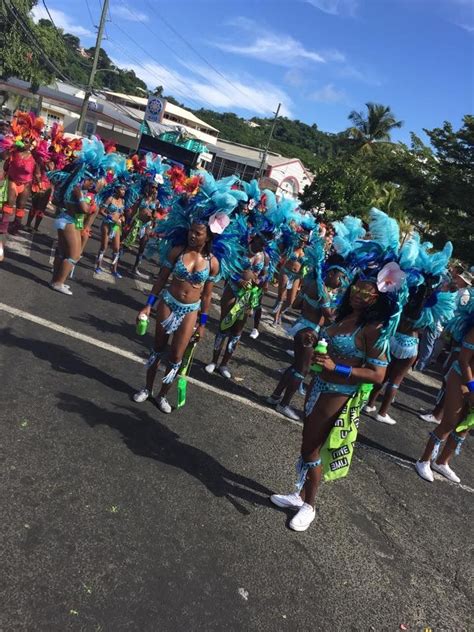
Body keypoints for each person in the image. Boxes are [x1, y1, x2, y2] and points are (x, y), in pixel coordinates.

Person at [133, 171, 244, 413]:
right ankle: (147, 388)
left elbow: (206, 296)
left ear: (208, 235)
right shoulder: (177, 251)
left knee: (176, 356)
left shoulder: (212, 262)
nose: (193, 235)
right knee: (157, 348)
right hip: (168, 302)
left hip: (191, 311)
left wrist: (203, 323)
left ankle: (162, 395)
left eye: (198, 233)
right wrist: (148, 304)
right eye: (191, 231)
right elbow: (161, 278)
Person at [267, 249, 349, 421]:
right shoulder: (323, 291)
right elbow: (329, 318)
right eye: (340, 277)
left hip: (301, 326)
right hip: (309, 333)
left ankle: (275, 396)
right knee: (302, 370)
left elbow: (296, 304)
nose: (341, 282)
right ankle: (284, 405)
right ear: (331, 272)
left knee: (295, 366)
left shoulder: (313, 284)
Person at [415, 324, 474, 484]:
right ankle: (424, 460)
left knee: (464, 427)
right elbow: (463, 360)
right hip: (462, 378)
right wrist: (472, 387)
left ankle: (442, 462)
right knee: (449, 422)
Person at [95, 183, 126, 278]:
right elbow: (101, 211)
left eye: (124, 190)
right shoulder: (110, 199)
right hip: (107, 224)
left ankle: (114, 269)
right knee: (104, 245)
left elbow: (122, 213)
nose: (123, 192)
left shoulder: (123, 201)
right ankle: (98, 266)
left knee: (116, 248)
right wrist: (108, 216)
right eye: (121, 189)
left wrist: (123, 217)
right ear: (116, 189)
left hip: (117, 225)